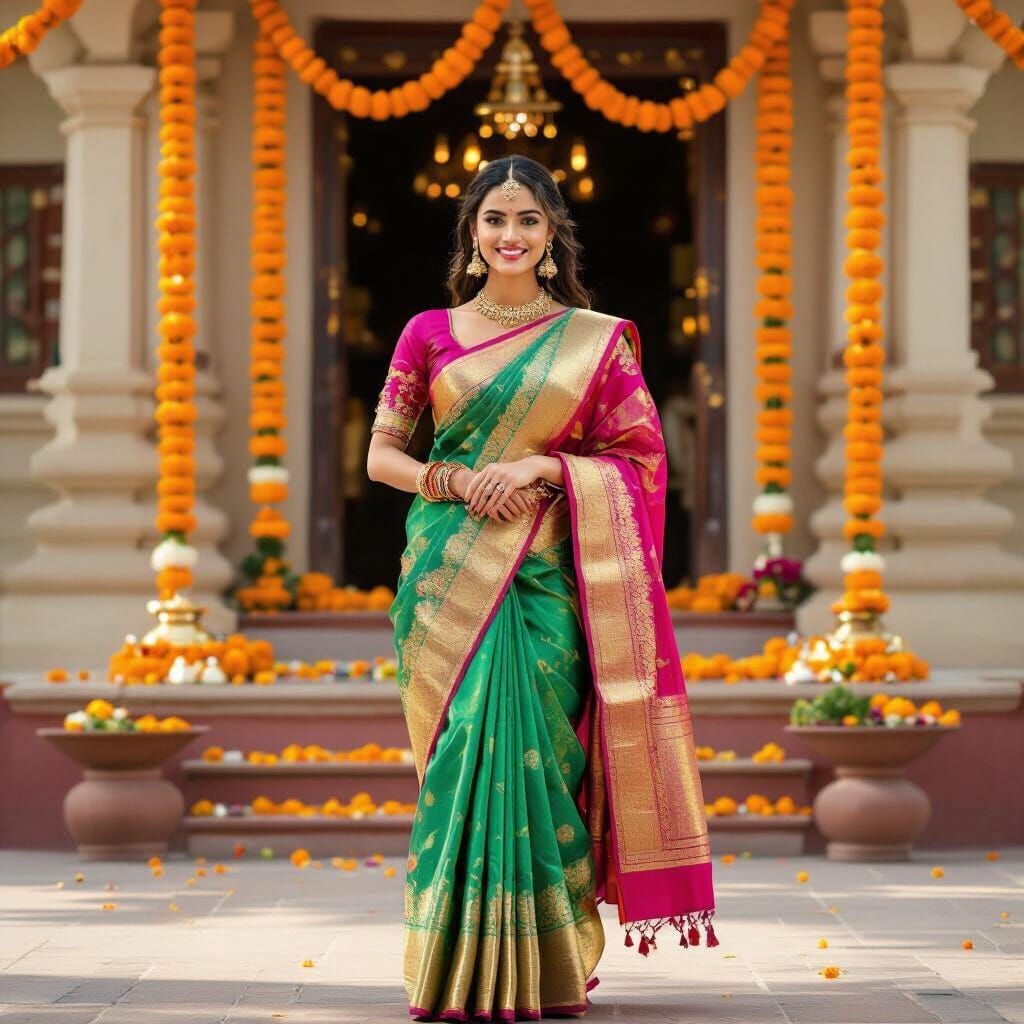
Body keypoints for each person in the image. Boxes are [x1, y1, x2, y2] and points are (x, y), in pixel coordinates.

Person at [366, 155, 715, 1022]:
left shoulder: (597, 341)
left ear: (552, 234)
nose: (510, 236)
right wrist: (453, 482)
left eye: (527, 220)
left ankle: (549, 965)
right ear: (473, 236)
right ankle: (447, 969)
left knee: (540, 757)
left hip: (547, 577)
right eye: (494, 220)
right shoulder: (428, 332)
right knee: (463, 754)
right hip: (451, 571)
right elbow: (382, 458)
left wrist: (541, 464)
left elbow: (637, 460)